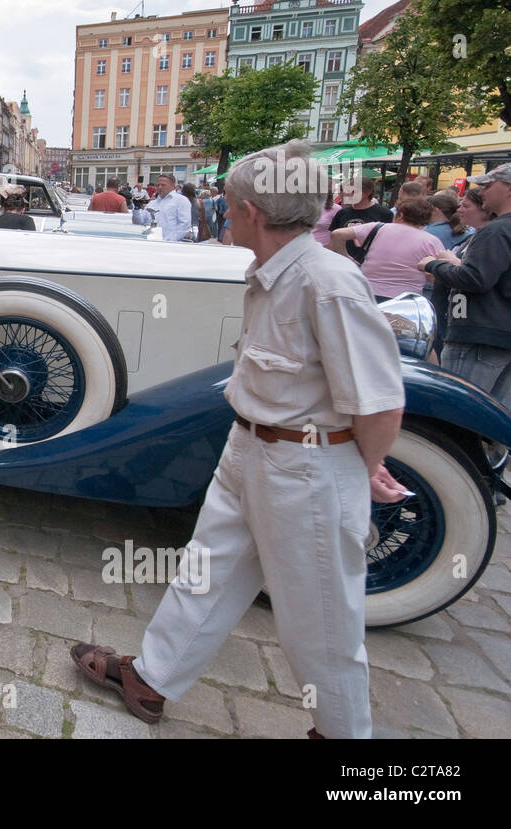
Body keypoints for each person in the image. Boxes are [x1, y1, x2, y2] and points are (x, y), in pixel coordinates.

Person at [69, 139, 407, 740]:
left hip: (305, 468)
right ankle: (152, 677)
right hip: (254, 449)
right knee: (207, 570)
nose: (222, 211)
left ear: (250, 209)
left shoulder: (325, 282)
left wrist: (365, 463)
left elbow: (380, 402)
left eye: (227, 201)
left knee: (322, 622)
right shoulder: (275, 273)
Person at [419, 164, 511, 409]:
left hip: (479, 334)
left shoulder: (496, 230)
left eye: (488, 185)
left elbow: (476, 278)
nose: (482, 192)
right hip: (498, 335)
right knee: (495, 419)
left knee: (459, 413)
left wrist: (433, 265)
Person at [330, 197, 444, 303]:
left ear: (400, 215)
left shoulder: (377, 228)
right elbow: (438, 274)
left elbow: (337, 234)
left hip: (367, 292)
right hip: (406, 298)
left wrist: (347, 259)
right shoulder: (431, 241)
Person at [427, 186, 495, 359]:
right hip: (454, 316)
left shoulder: (491, 237)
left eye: (466, 205)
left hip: (468, 325)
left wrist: (439, 264)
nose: (459, 209)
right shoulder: (475, 236)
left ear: (484, 209)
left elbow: (474, 276)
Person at [329, 177, 391, 263]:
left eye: (354, 191)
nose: (349, 194)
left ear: (368, 192)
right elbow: (332, 240)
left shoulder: (384, 213)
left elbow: (388, 241)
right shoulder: (342, 213)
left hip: (371, 263)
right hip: (344, 263)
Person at [149, 174, 192, 242]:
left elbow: (184, 225)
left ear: (173, 186)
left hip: (170, 243)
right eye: (158, 185)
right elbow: (141, 222)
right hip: (151, 241)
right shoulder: (152, 203)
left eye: (163, 185)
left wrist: (169, 240)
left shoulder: (181, 200)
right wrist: (137, 208)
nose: (159, 187)